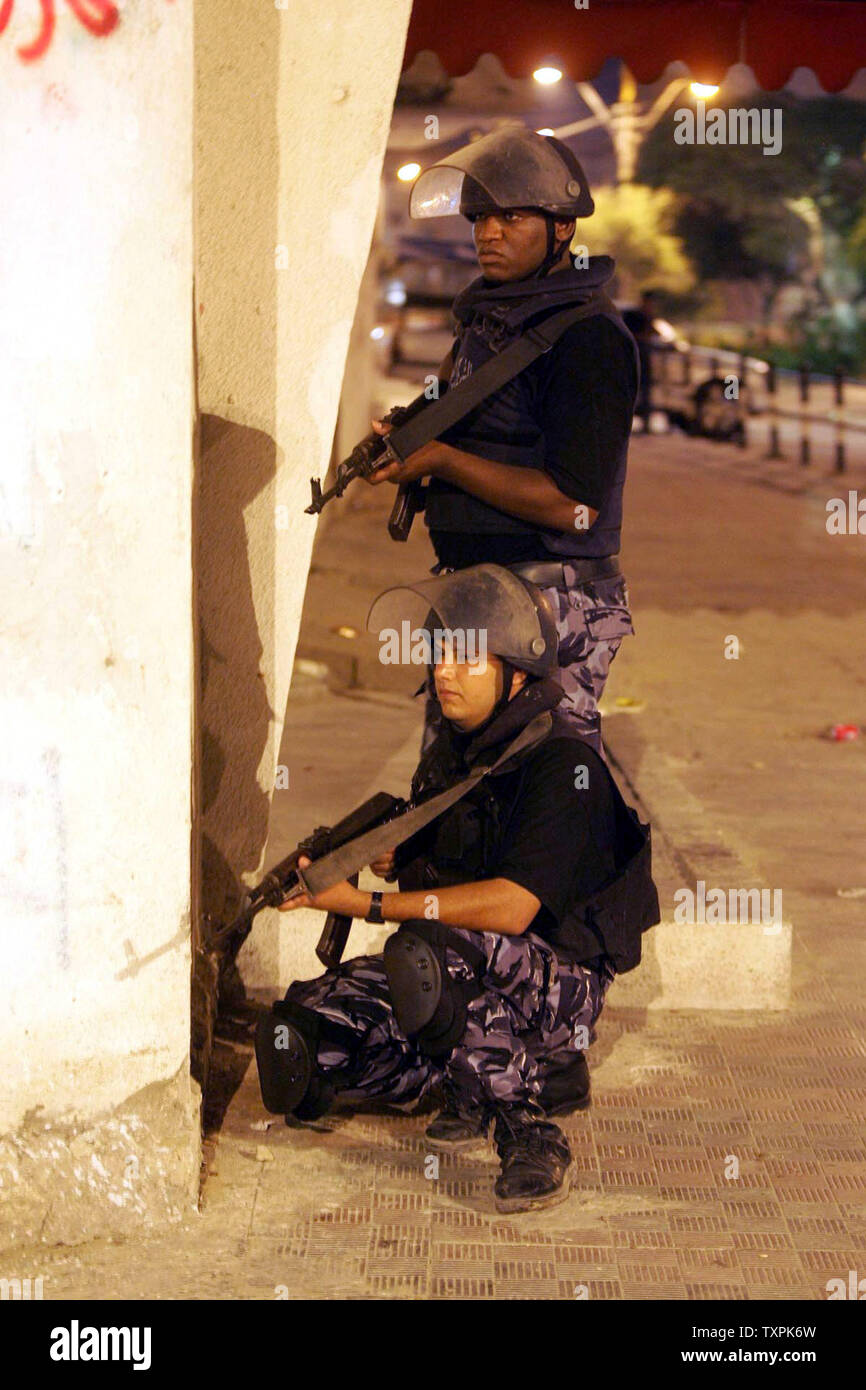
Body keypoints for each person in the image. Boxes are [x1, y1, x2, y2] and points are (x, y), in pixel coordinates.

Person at [256, 566, 658, 1214]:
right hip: (465, 972)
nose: (445, 672)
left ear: (517, 673)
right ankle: (478, 1071)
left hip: (557, 983)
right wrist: (385, 855)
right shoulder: (457, 759)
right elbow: (440, 867)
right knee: (301, 1037)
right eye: (440, 656)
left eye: (468, 660)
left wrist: (367, 906)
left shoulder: (565, 765)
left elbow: (511, 905)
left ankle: (529, 1132)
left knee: (424, 949)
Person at [366, 126, 639, 756]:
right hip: (479, 591)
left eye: (510, 217)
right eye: (480, 217)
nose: (488, 233)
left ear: (562, 227)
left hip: (552, 602)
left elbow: (574, 504)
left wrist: (442, 461)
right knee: (455, 794)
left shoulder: (586, 339)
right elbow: (453, 405)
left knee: (542, 792)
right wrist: (409, 429)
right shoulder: (490, 319)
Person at [622, 289, 662, 434]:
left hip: (645, 358)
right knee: (631, 391)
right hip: (633, 356)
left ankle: (645, 424)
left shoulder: (649, 317)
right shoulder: (633, 315)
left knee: (645, 392)